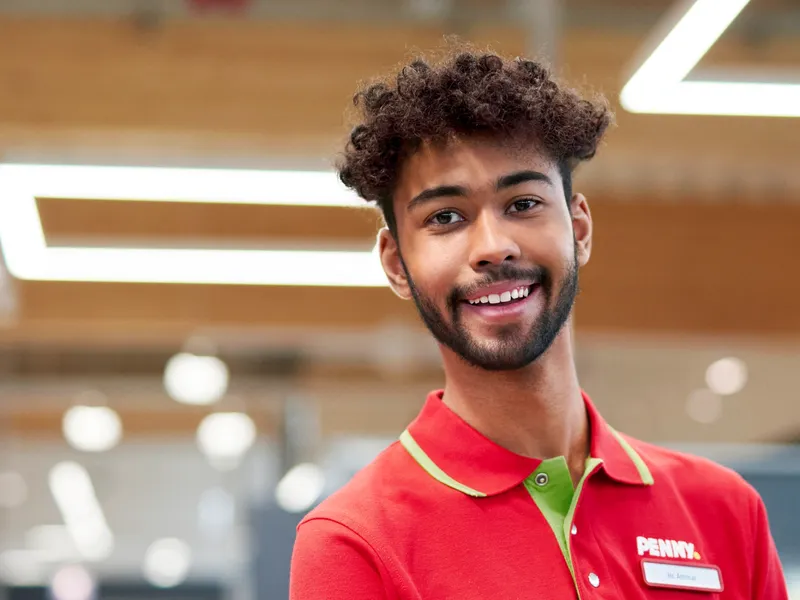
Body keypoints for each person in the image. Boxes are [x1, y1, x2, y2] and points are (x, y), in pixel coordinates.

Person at [289, 46, 789, 599]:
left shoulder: (723, 512)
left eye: (523, 204)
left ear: (578, 228)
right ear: (395, 263)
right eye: (445, 217)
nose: (494, 247)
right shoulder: (356, 542)